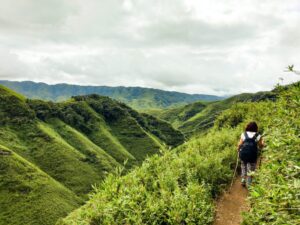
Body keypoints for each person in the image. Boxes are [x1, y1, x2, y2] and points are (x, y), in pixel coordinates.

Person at [237, 122, 264, 187]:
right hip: (252, 155)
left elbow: (239, 144)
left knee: (243, 166)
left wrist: (238, 150)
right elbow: (260, 146)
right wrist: (263, 142)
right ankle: (249, 183)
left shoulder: (244, 134)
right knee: (251, 169)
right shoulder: (258, 136)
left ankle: (243, 180)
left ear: (248, 127)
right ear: (256, 128)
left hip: (244, 154)